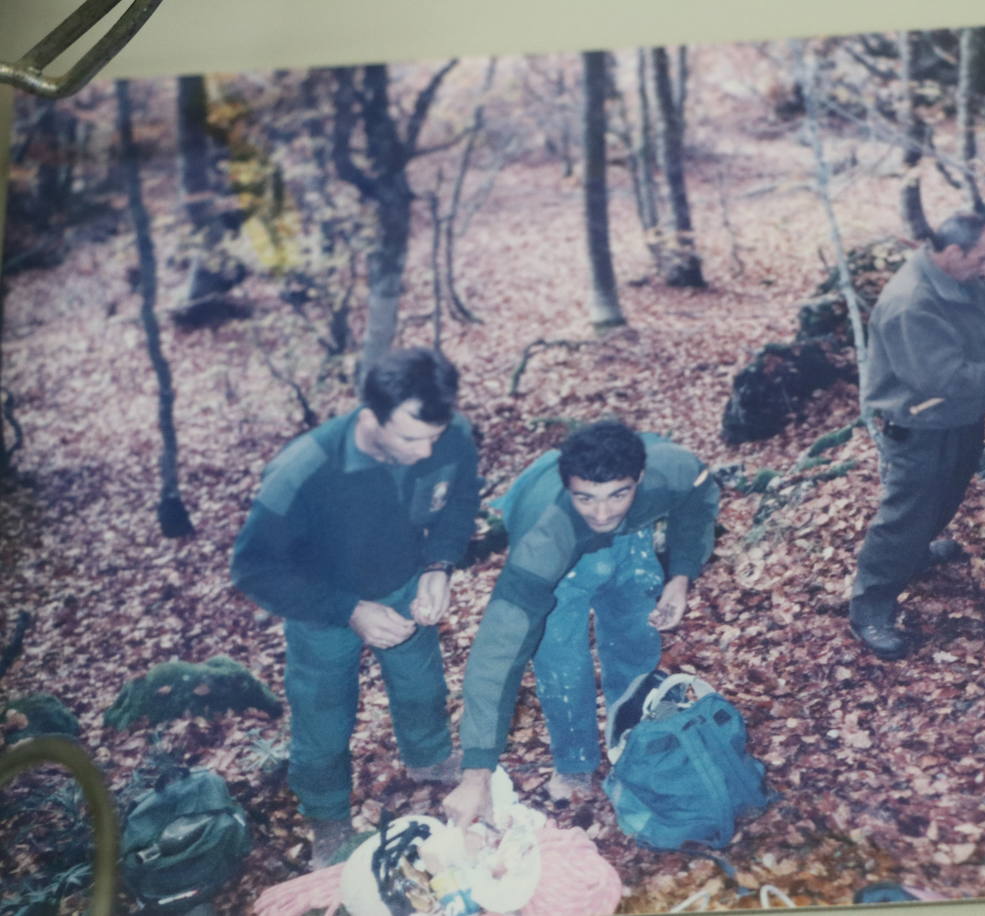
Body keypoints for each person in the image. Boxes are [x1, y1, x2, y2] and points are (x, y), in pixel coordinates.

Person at [231, 347, 481, 867]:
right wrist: (347, 609)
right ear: (371, 417)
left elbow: (459, 502)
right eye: (411, 438)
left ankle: (429, 758)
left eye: (434, 436)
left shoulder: (449, 434)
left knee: (421, 685)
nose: (425, 450)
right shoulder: (305, 469)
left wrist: (439, 564)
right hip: (322, 605)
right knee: (322, 715)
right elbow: (254, 567)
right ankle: (327, 814)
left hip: (406, 583)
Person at [442, 419, 719, 824]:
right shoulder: (545, 536)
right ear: (568, 486)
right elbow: (498, 649)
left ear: (639, 479)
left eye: (617, 494)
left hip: (632, 535)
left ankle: (633, 739)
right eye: (586, 497)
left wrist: (680, 577)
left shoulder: (671, 470)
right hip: (561, 543)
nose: (603, 512)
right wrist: (475, 774)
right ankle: (574, 763)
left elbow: (699, 493)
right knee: (559, 656)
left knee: (635, 632)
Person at [849, 211, 985, 661]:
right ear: (953, 252)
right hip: (921, 424)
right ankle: (870, 608)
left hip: (961, 416)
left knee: (947, 494)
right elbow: (938, 377)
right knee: (905, 514)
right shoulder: (912, 302)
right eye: (983, 257)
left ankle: (916, 553)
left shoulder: (957, 277)